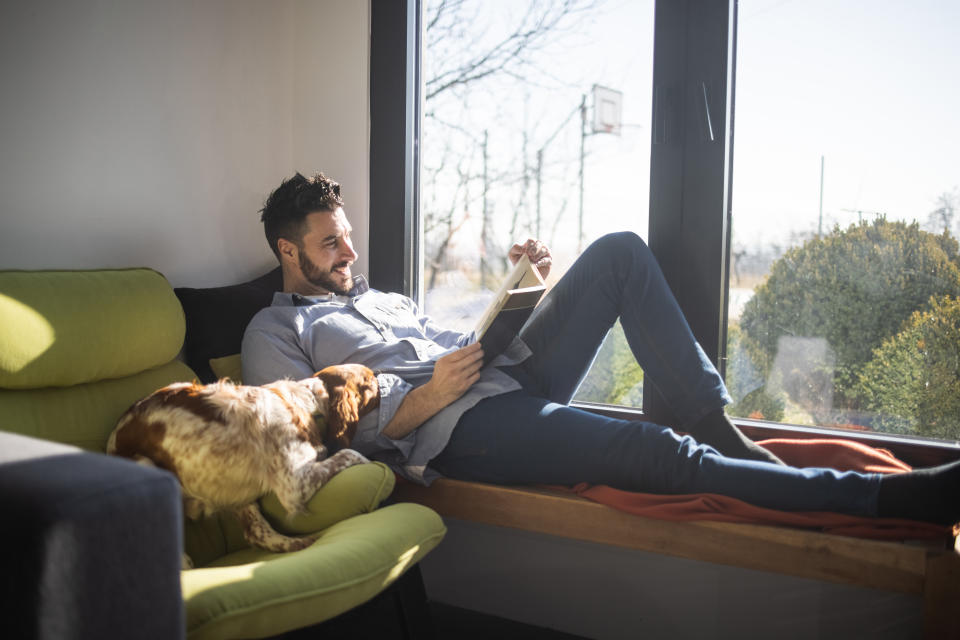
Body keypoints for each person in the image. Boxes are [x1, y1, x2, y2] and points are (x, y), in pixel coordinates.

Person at [241, 172, 960, 526]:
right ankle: (894, 499)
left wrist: (525, 291)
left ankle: (716, 423)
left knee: (618, 253)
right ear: (287, 249)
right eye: (331, 241)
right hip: (455, 430)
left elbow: (461, 343)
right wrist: (423, 400)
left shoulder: (381, 298)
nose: (349, 251)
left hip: (496, 373)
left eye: (348, 235)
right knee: (658, 454)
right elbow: (301, 439)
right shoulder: (274, 333)